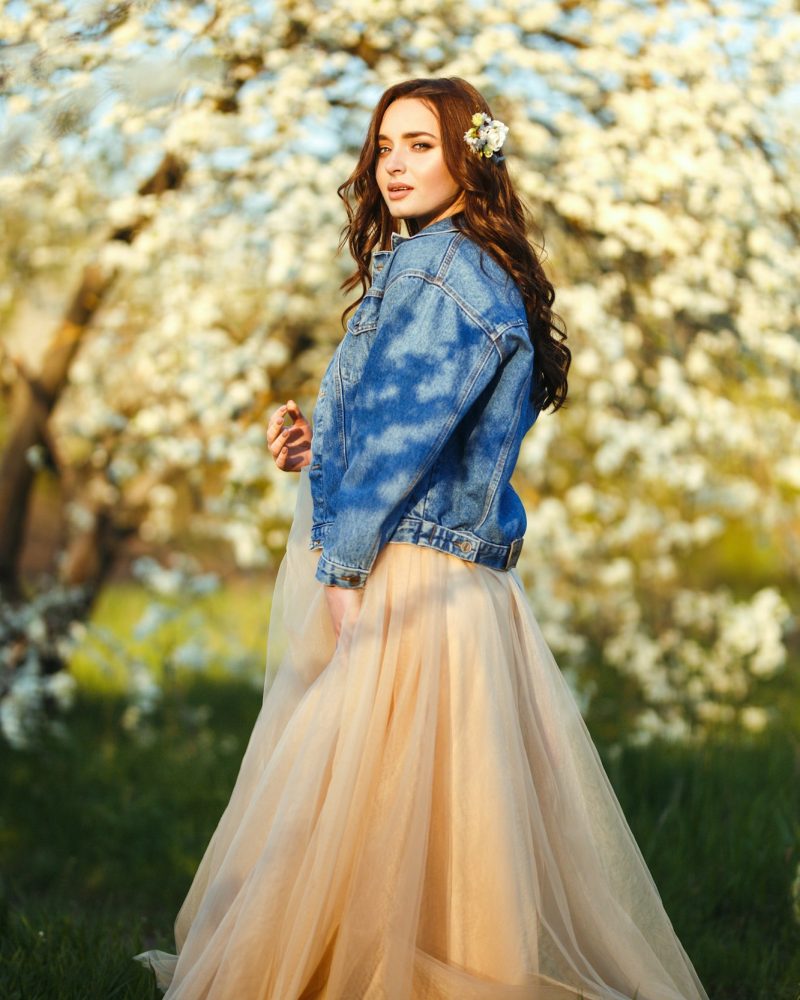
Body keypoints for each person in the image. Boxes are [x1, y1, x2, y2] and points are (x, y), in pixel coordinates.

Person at [135, 77, 709, 1000]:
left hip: (413, 576)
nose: (393, 166)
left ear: (468, 159)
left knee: (377, 803)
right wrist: (314, 448)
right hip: (427, 565)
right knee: (413, 814)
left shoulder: (447, 275)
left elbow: (407, 444)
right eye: (384, 147)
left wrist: (347, 568)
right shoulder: (429, 264)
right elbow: (403, 431)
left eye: (420, 146)